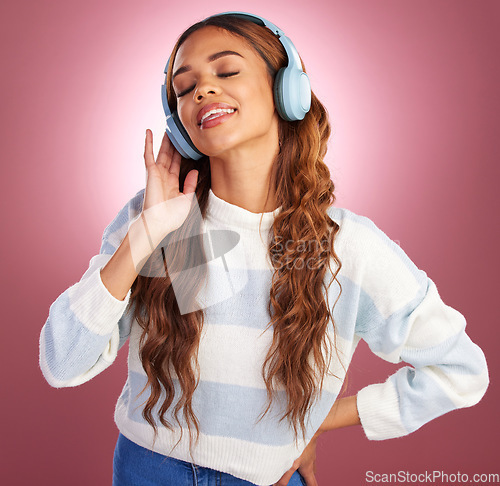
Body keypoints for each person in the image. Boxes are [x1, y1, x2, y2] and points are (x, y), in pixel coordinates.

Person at [39, 11, 489, 486]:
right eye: (184, 87)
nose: (201, 91)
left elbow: (460, 371)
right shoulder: (161, 220)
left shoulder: (348, 248)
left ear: (286, 91)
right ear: (178, 120)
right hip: (146, 469)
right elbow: (62, 363)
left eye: (226, 71)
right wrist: (145, 236)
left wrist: (316, 423)